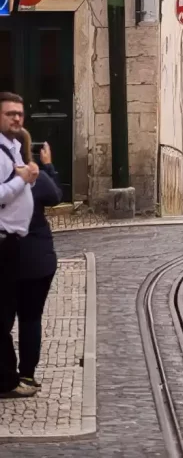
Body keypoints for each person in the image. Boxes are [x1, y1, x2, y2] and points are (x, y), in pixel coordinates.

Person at [16, 128, 62, 391]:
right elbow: (56, 196)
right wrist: (49, 165)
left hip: (14, 257)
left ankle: (9, 376)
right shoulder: (38, 178)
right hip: (37, 259)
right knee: (30, 318)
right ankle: (27, 376)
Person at [0, 92, 39, 399]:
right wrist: (22, 179)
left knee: (7, 313)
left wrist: (32, 176)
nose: (16, 118)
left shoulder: (13, 147)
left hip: (13, 244)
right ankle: (6, 380)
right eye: (10, 113)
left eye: (19, 114)